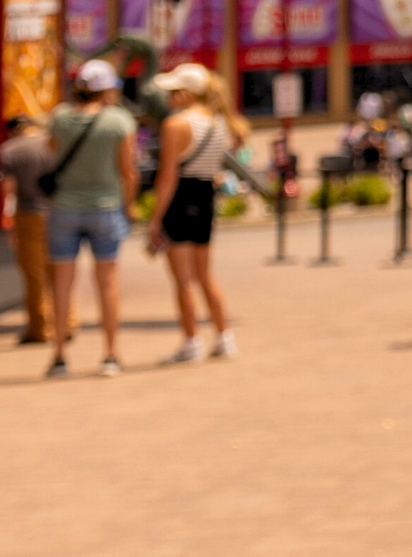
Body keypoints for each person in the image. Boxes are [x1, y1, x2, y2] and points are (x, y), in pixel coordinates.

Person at [43, 59, 139, 378]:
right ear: (108, 89)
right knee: (107, 283)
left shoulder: (60, 117)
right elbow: (128, 170)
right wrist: (130, 206)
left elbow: (52, 152)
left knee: (61, 284)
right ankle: (110, 354)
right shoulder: (119, 121)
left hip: (64, 207)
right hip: (106, 206)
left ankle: (59, 356)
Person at [148, 65, 242, 362]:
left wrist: (155, 218)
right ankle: (224, 336)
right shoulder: (219, 122)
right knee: (204, 273)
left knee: (182, 279)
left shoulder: (176, 125)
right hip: (205, 197)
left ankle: (191, 341)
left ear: (187, 94)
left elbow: (167, 176)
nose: (170, 98)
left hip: (181, 198)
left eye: (174, 92)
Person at [2, 115, 56, 346]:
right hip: (55, 211)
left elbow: (8, 189)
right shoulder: (51, 143)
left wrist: (8, 222)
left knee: (33, 272)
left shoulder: (10, 150)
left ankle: (40, 327)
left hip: (28, 213)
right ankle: (66, 321)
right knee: (58, 268)